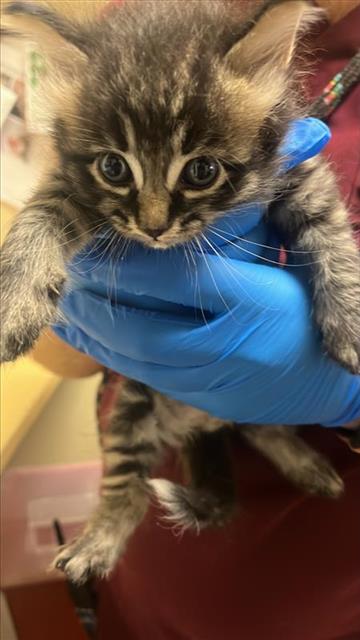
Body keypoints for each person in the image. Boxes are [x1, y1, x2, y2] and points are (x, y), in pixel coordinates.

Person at [31, 1, 360, 638]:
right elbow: (58, 357)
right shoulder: (124, 28)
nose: (154, 221)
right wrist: (71, 298)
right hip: (142, 576)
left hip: (307, 588)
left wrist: (350, 398)